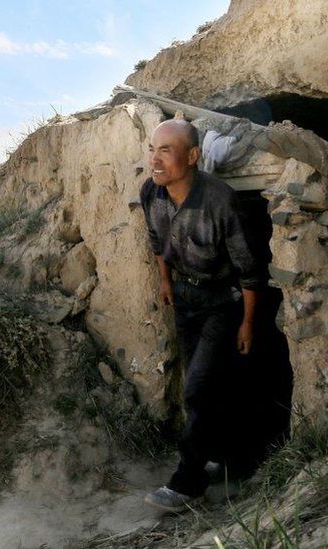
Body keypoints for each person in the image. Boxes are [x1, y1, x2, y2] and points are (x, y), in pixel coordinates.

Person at [139, 119, 263, 512]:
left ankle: (187, 483)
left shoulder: (219, 200)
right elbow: (158, 242)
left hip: (221, 302)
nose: (155, 160)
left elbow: (249, 268)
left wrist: (246, 322)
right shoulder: (151, 193)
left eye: (166, 150)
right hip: (184, 297)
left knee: (197, 389)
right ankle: (229, 459)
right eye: (152, 149)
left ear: (192, 156)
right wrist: (164, 280)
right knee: (206, 385)